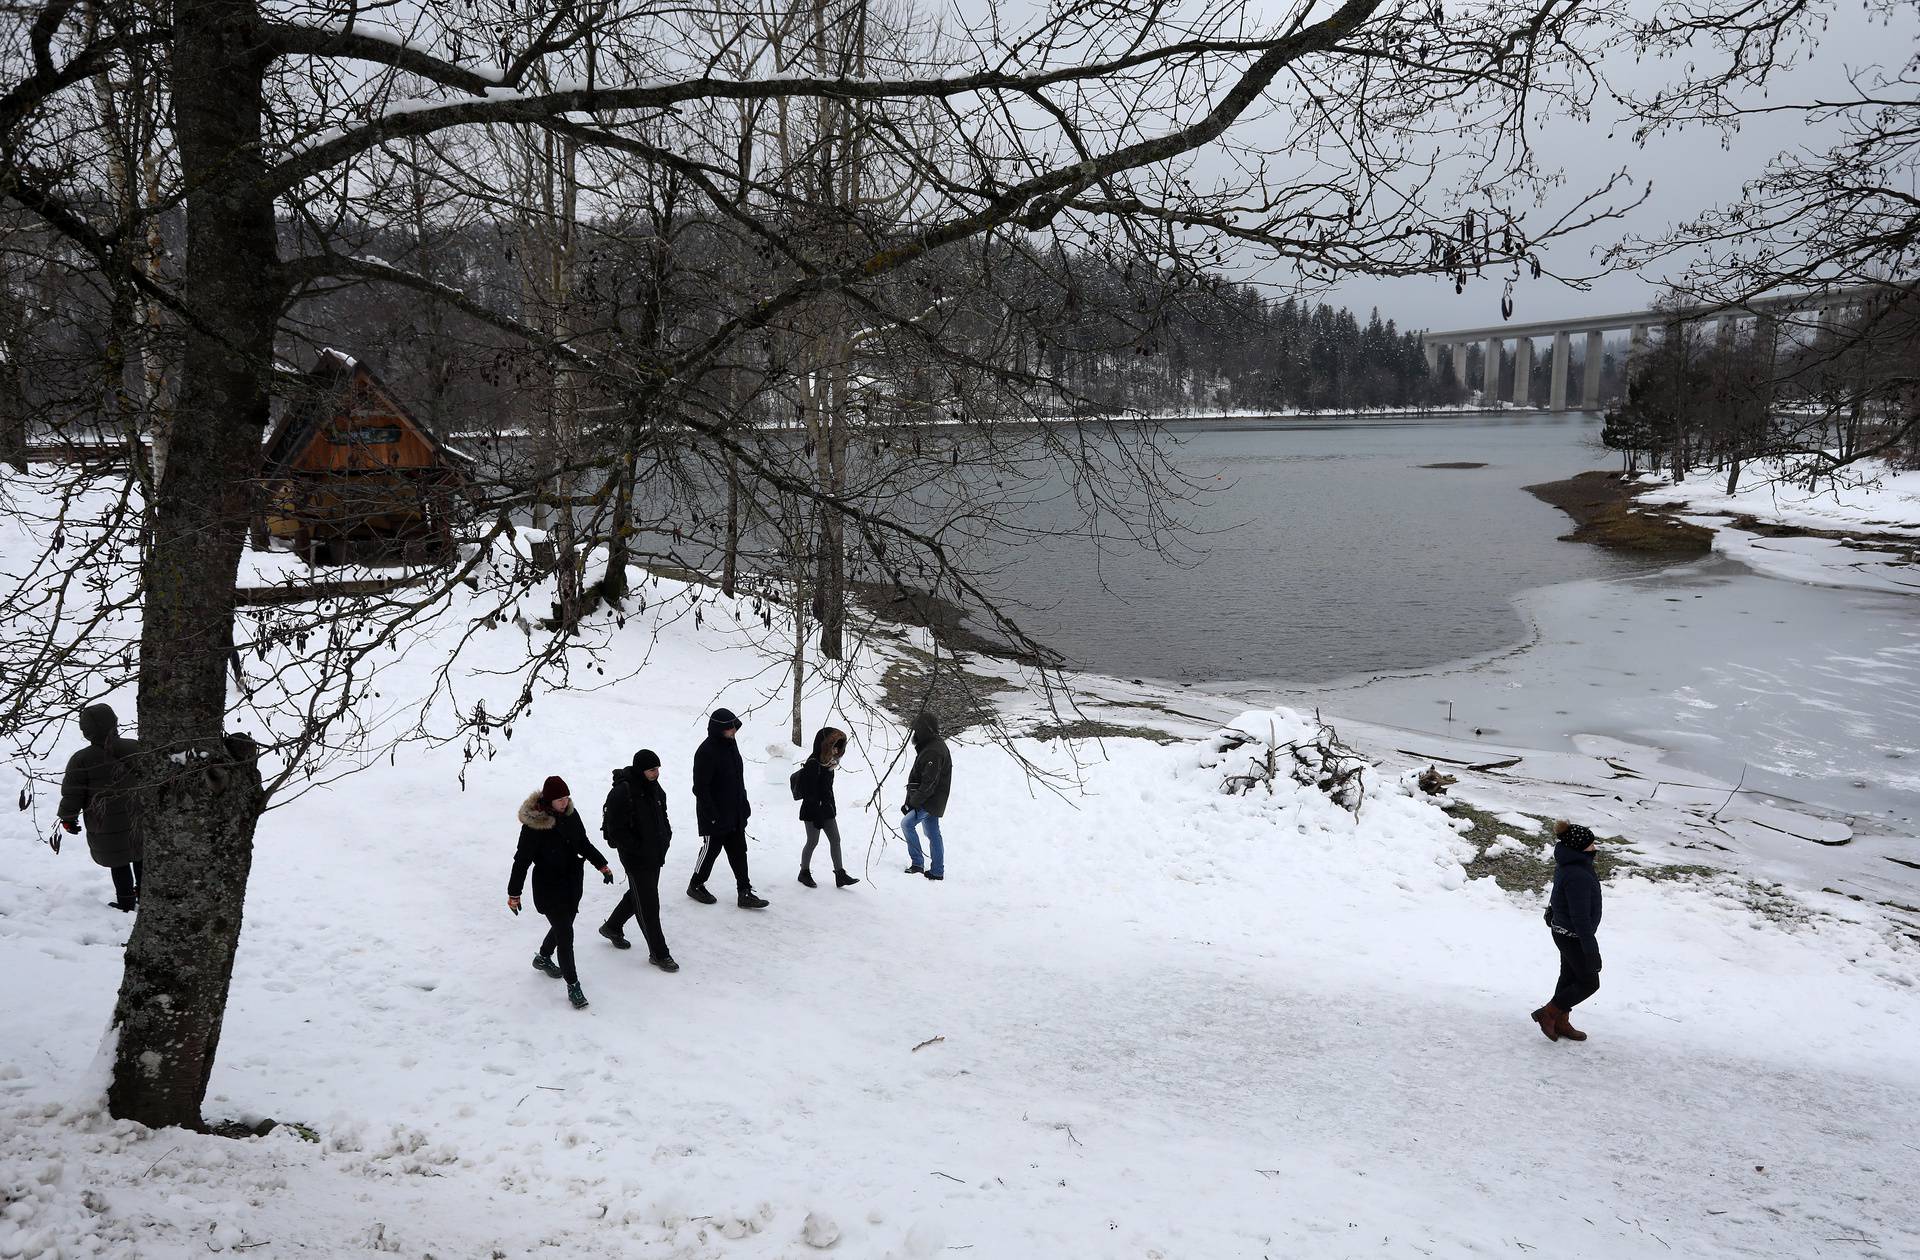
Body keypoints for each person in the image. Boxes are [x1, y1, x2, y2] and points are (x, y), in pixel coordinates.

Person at [508, 775, 614, 1009]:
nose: (565, 803)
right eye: (560, 800)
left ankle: (543, 957)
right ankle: (573, 985)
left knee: (563, 926)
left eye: (567, 798)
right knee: (566, 935)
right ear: (548, 801)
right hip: (548, 886)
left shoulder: (571, 815)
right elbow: (522, 860)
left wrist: (602, 865)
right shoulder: (534, 826)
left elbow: (582, 843)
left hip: (572, 882)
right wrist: (514, 893)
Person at [56, 703, 146, 912]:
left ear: (86, 732)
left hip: (104, 821)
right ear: (114, 723)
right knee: (140, 856)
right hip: (138, 816)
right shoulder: (135, 747)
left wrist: (68, 818)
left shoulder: (81, 760)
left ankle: (125, 901)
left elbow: (73, 793)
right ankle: (145, 895)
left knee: (119, 861)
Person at [598, 749, 679, 971]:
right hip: (636, 858)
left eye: (658, 769)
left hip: (655, 853)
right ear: (641, 769)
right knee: (649, 905)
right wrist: (638, 848)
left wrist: (666, 837)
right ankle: (659, 953)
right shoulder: (622, 792)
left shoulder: (655, 789)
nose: (657, 773)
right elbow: (616, 830)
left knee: (640, 894)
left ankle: (612, 927)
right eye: (652, 769)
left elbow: (663, 816)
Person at [688, 708, 768, 909]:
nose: (734, 730)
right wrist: (713, 815)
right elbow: (700, 788)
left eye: (734, 726)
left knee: (739, 851)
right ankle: (695, 884)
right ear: (718, 728)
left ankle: (745, 892)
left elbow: (737, 780)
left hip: (734, 812)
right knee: (710, 850)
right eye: (729, 727)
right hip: (714, 815)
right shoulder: (706, 751)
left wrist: (744, 805)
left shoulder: (731, 745)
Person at [1532, 821, 1603, 1042]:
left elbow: (1560, 892)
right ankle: (1548, 1013)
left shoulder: (1571, 862)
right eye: (1591, 844)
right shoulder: (1578, 873)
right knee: (1589, 982)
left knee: (1569, 978)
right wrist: (1591, 949)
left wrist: (1553, 910)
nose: (1594, 847)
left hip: (1564, 931)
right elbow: (1580, 916)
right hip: (1573, 935)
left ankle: (1561, 1022)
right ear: (1580, 847)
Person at [794, 726, 858, 889]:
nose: (837, 750)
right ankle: (804, 872)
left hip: (827, 809)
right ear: (825, 745)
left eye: (839, 746)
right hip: (812, 811)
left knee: (835, 840)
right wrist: (817, 815)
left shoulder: (829, 764)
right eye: (834, 746)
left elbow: (827, 790)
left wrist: (829, 808)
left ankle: (840, 874)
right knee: (812, 841)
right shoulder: (813, 764)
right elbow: (810, 794)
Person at [901, 712, 951, 881]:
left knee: (907, 824)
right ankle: (937, 871)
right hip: (932, 799)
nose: (914, 734)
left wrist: (913, 803)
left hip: (929, 800)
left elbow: (928, 783)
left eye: (916, 730)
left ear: (923, 731)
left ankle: (917, 865)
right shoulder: (932, 746)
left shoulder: (933, 751)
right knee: (933, 832)